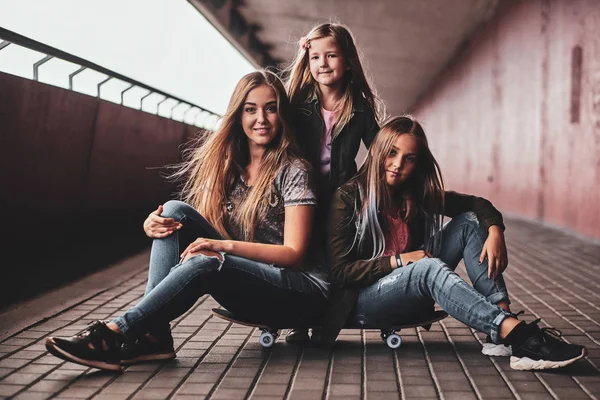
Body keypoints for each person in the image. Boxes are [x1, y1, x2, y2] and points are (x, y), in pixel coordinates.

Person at [44, 70, 329, 371]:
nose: (261, 118)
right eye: (250, 109)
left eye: (271, 108)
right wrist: (151, 225)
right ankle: (154, 336)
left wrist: (224, 247)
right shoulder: (228, 168)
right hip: (252, 280)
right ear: (237, 115)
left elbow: (294, 255)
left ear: (281, 114)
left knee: (208, 260)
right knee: (173, 211)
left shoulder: (295, 169)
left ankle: (116, 334)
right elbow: (192, 227)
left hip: (299, 291)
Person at [322, 115, 587, 370]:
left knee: (470, 222)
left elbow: (475, 204)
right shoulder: (348, 198)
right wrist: (400, 260)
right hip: (364, 301)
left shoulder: (412, 195)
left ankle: (501, 328)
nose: (397, 164)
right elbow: (341, 272)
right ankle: (517, 337)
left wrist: (495, 230)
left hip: (407, 287)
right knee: (428, 267)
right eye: (392, 153)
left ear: (417, 164)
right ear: (378, 151)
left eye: (409, 158)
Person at [284, 22, 384, 343]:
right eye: (315, 57)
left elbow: (380, 151)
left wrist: (360, 185)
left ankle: (325, 328)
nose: (322, 64)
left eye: (331, 56)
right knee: (300, 257)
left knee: (334, 262)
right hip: (300, 196)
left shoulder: (359, 108)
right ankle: (295, 320)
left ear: (348, 60)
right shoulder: (298, 102)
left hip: (339, 202)